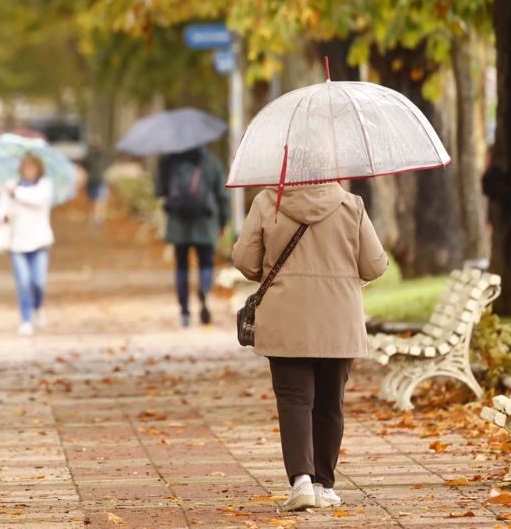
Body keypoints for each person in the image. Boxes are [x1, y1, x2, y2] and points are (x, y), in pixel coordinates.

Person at [232, 181, 388, 512]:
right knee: (331, 402)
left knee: (294, 401)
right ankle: (325, 485)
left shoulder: (267, 202)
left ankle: (301, 481)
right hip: (338, 319)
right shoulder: (351, 205)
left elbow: (247, 263)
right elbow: (374, 266)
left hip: (285, 317)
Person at [155, 145, 229, 327]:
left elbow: (159, 191)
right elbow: (222, 194)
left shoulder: (170, 161)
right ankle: (204, 290)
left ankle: (185, 313)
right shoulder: (211, 161)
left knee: (181, 267)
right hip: (205, 221)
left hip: (178, 223)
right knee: (206, 263)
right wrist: (223, 221)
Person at [0, 154, 55, 336]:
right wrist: (5, 216)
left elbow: (37, 200)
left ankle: (38, 307)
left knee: (38, 282)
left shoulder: (44, 186)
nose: (29, 172)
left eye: (33, 168)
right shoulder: (11, 185)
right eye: (26, 168)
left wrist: (15, 193)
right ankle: (26, 319)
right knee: (23, 282)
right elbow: (0, 209)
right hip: (17, 242)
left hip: (39, 241)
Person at [84, 137, 109, 225]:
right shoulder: (89, 156)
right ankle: (94, 216)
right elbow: (86, 166)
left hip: (100, 180)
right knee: (93, 199)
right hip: (92, 180)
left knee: (100, 199)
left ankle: (98, 216)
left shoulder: (102, 155)